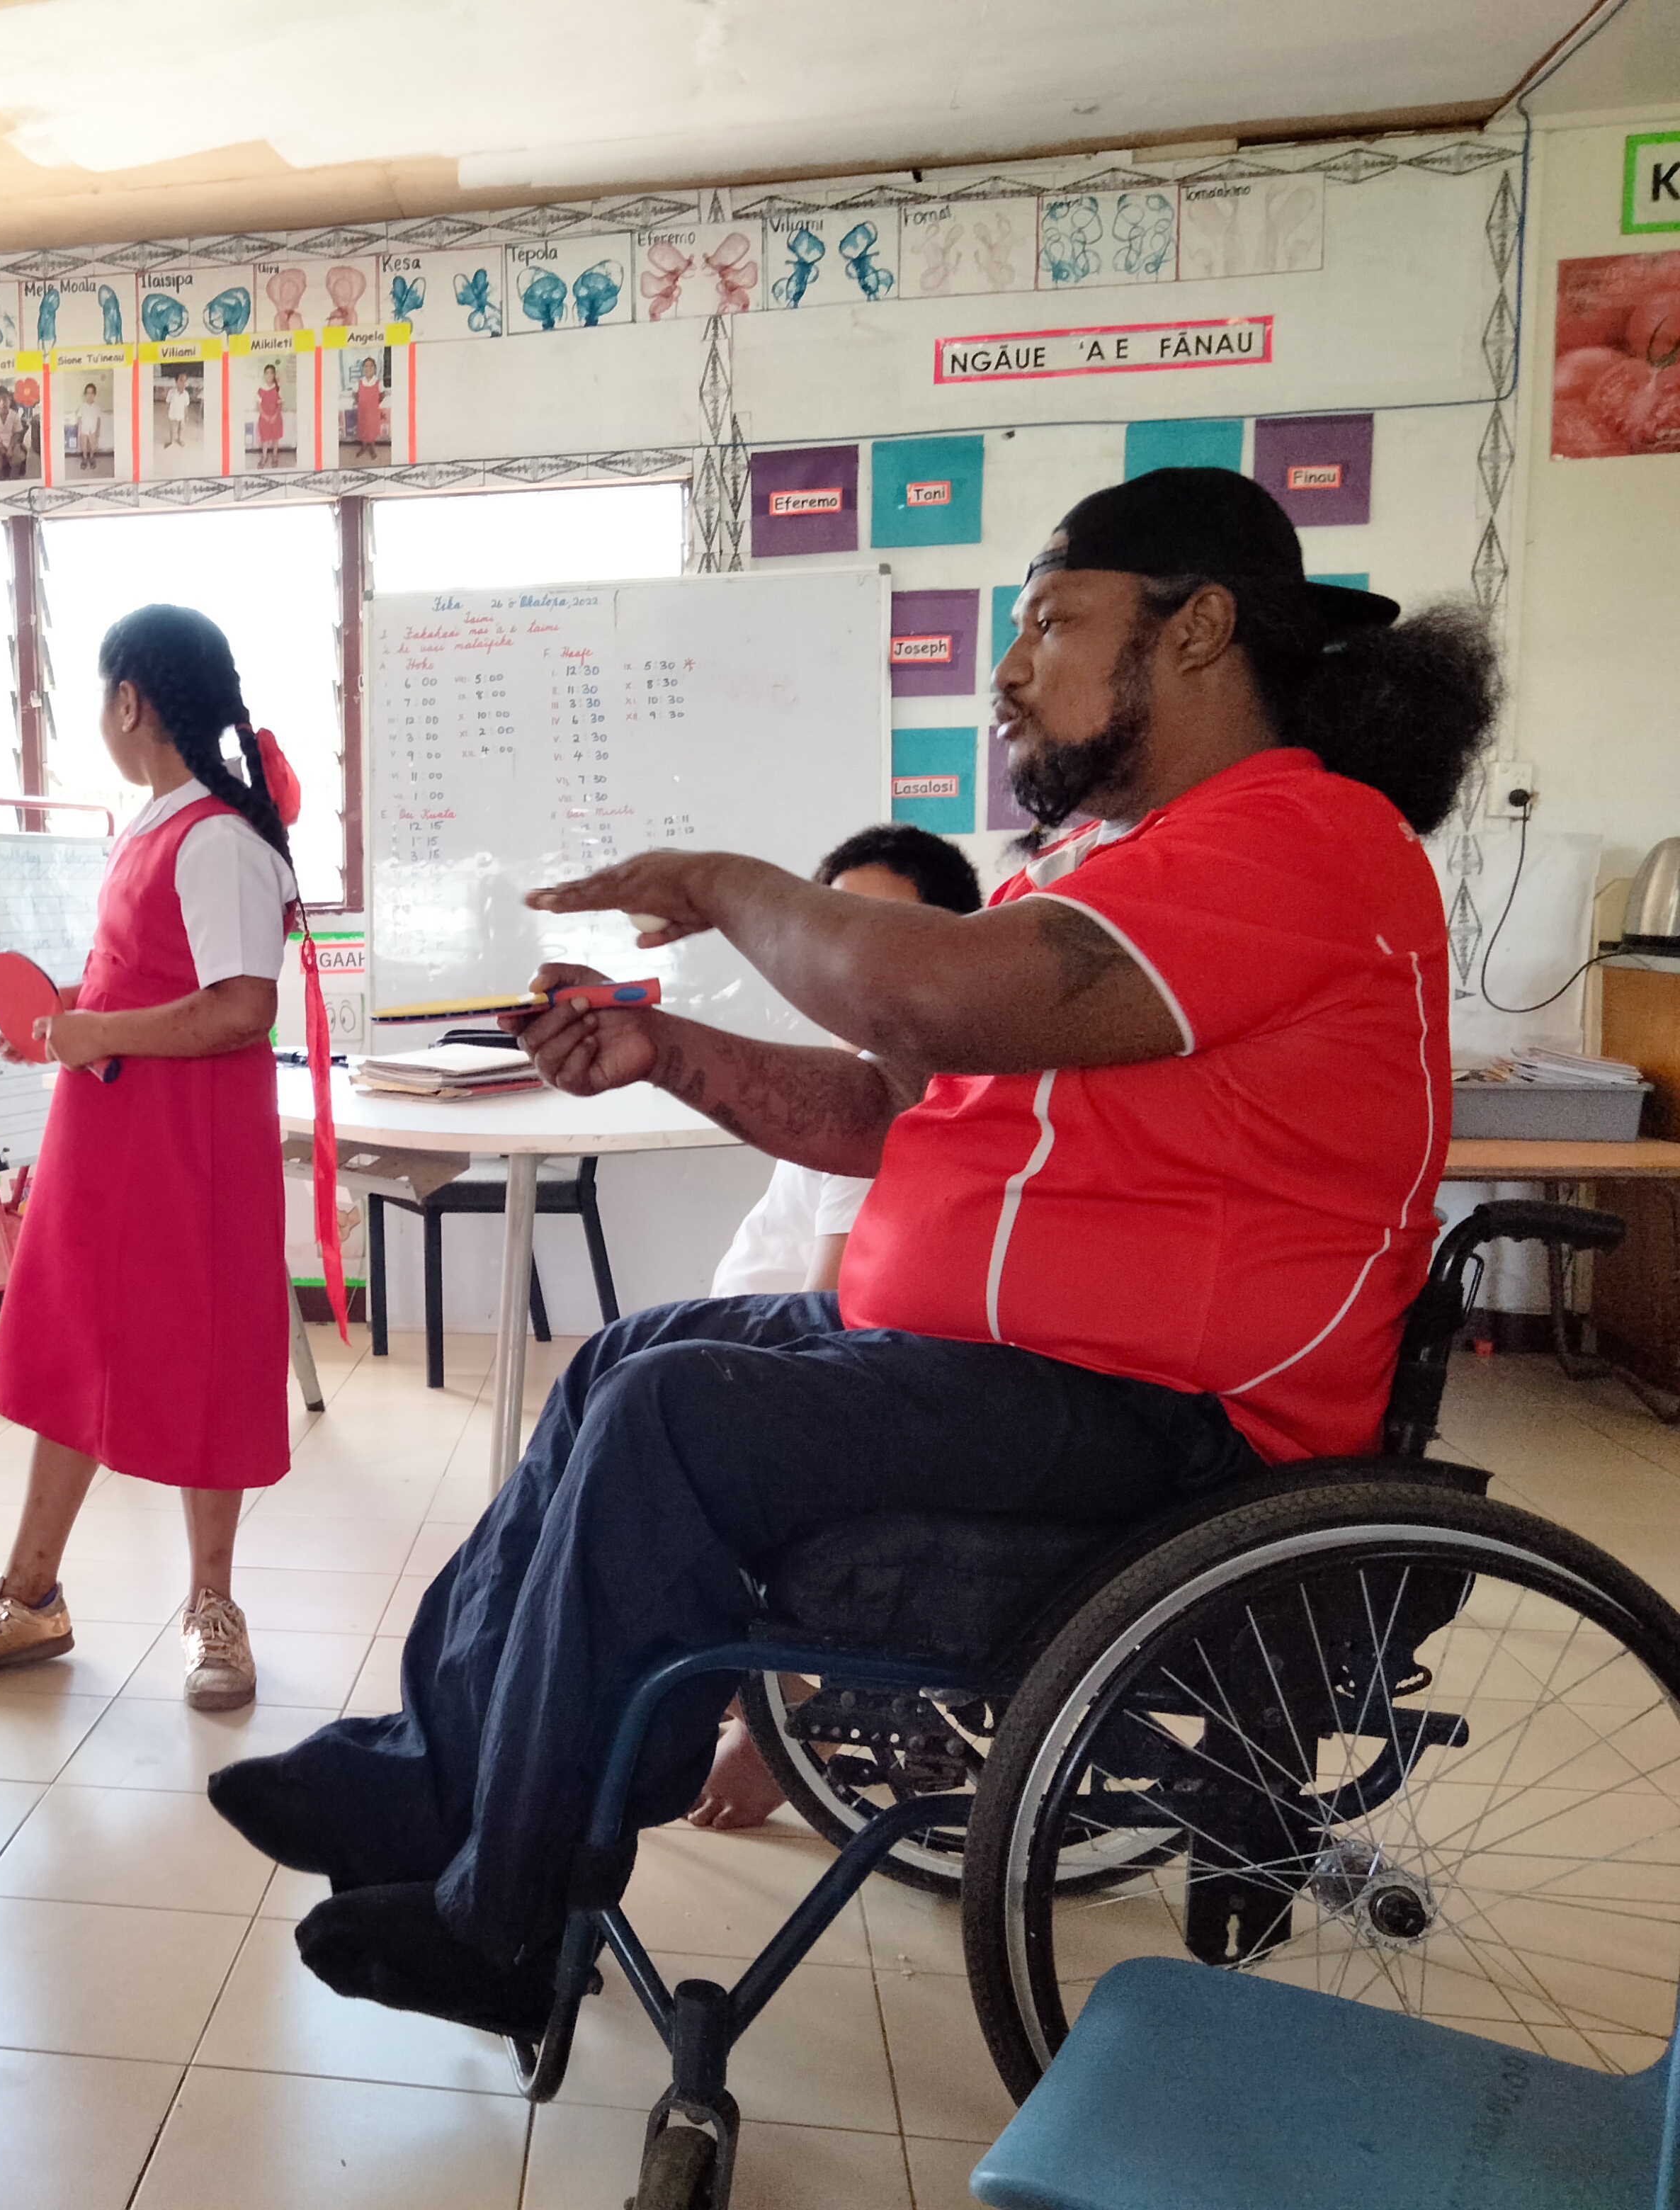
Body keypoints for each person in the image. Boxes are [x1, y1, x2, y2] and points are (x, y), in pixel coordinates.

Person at [208, 467, 1497, 2036]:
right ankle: (431, 1784)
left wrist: (726, 886)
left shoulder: (1299, 841)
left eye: (1050, 622)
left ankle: (507, 1917)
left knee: (665, 1422)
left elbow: (918, 1000)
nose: (1009, 668)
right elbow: (903, 1110)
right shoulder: (1133, 862)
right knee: (628, 1355)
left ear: (1201, 628)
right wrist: (665, 1050)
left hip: (1174, 1422)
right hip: (1024, 1378)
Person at [0, 605, 302, 1710]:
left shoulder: (216, 836)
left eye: (99, 697)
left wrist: (99, 1032)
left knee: (208, 1356)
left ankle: (212, 1608)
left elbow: (240, 1011)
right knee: (76, 1349)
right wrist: (70, 1015)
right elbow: (154, 980)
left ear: (129, 700)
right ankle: (30, 1593)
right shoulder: (157, 824)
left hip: (186, 1152)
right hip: (115, 1139)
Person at [684, 821, 981, 1832]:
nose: (859, 963)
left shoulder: (906, 1098)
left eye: (888, 931)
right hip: (766, 1336)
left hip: (804, 1365)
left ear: (959, 942)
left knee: (648, 1420)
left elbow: (832, 1322)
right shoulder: (876, 1071)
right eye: (836, 934)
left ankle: (791, 1709)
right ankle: (750, 1686)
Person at [256, 363, 285, 467]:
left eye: (271, 373)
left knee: (275, 438)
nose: (269, 375)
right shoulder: (261, 388)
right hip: (264, 419)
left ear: (274, 375)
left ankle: (275, 456)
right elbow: (259, 405)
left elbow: (280, 404)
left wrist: (275, 416)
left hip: (276, 418)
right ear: (265, 375)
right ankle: (264, 457)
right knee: (265, 439)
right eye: (267, 373)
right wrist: (265, 416)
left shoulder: (278, 388)